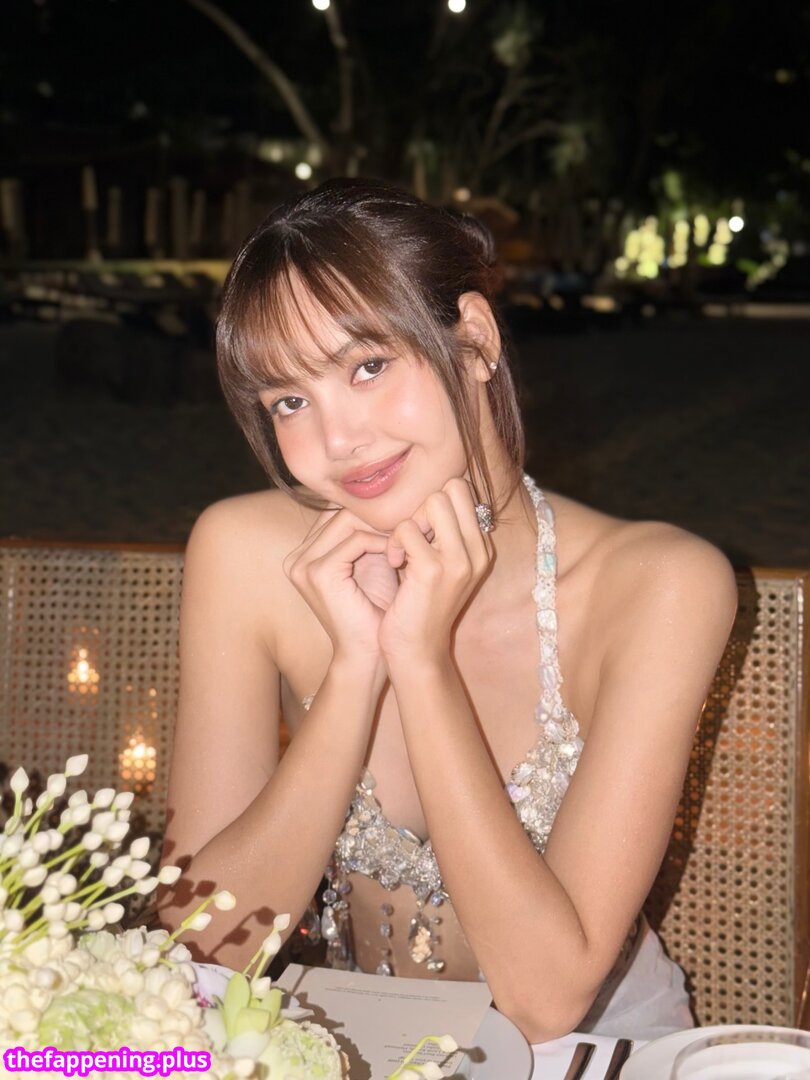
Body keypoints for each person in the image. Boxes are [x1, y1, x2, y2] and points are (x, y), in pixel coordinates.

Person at [159, 178, 737, 1043]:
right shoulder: (245, 556)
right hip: (343, 1036)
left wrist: (422, 663)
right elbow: (197, 946)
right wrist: (356, 670)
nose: (338, 441)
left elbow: (545, 999)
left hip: (586, 1050)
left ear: (474, 339)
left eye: (368, 366)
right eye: (289, 401)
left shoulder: (660, 585)